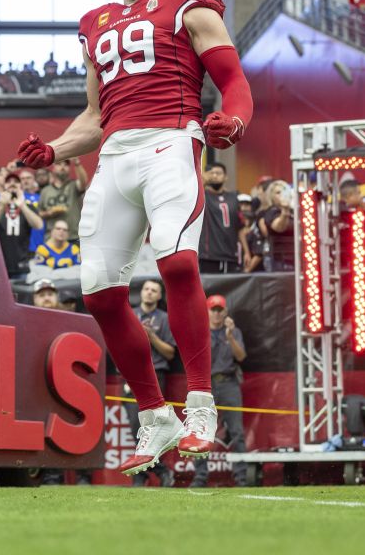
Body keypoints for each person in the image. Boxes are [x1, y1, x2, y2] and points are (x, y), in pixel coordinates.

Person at [15, 0, 254, 476]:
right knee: (99, 293)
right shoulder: (97, 25)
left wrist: (234, 120)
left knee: (175, 260)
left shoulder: (187, 3)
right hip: (115, 156)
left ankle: (199, 408)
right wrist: (53, 149)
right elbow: (95, 118)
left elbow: (234, 80)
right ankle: (155, 415)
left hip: (170, 141)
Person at [123, 280, 178, 487]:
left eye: (154, 290)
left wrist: (151, 336)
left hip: (155, 377)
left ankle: (143, 474)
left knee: (152, 430)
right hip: (130, 378)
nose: (148, 292)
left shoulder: (165, 319)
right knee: (135, 427)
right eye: (146, 289)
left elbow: (170, 353)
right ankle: (157, 471)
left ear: (159, 296)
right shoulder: (129, 315)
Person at [190, 295, 247, 488]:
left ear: (225, 312)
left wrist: (230, 336)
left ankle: (241, 478)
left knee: (237, 432)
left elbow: (241, 357)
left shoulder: (233, 331)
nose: (216, 313)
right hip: (204, 385)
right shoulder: (199, 332)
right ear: (206, 312)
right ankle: (200, 476)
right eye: (213, 310)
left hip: (228, 382)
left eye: (219, 310)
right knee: (200, 431)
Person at [0, 172, 43, 280]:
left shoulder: (28, 206)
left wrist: (22, 205)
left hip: (21, 264)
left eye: (16, 182)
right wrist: (2, 205)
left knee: (21, 296)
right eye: (9, 182)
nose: (12, 184)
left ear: (21, 186)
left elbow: (38, 225)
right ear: (3, 186)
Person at [198, 162, 242, 273]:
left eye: (218, 173)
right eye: (211, 173)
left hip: (231, 254)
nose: (215, 175)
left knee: (232, 289)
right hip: (209, 255)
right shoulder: (202, 195)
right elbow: (192, 194)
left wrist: (247, 252)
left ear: (226, 176)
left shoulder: (234, 197)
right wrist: (203, 181)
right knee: (209, 289)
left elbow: (241, 227)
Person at [37, 159, 89, 241]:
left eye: (66, 164)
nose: (62, 167)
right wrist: (50, 213)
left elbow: (83, 182)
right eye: (59, 164)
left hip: (73, 237)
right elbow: (40, 213)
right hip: (51, 239)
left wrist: (76, 163)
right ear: (53, 168)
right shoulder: (45, 191)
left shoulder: (74, 185)